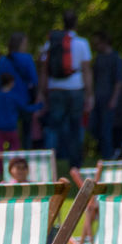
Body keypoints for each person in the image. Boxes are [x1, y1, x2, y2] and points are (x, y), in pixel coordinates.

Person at [42, 10, 93, 175]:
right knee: (76, 126)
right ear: (75, 23)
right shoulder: (82, 43)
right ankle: (75, 166)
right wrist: (89, 94)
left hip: (55, 89)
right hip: (76, 89)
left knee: (53, 128)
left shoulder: (50, 43)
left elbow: (43, 71)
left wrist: (42, 93)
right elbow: (86, 70)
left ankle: (49, 166)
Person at [0, 32, 38, 147]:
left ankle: (9, 157)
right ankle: (24, 153)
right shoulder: (27, 58)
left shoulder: (3, 61)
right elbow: (34, 80)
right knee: (26, 130)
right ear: (21, 44)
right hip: (24, 100)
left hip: (6, 100)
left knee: (9, 130)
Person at [90, 31, 122, 159]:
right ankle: (104, 152)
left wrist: (114, 99)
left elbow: (118, 81)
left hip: (108, 98)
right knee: (94, 127)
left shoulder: (115, 58)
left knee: (106, 129)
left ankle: (108, 156)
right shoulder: (98, 58)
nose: (96, 46)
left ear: (104, 42)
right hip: (97, 98)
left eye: (98, 43)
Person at [0, 72, 42, 153]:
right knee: (15, 147)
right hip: (11, 127)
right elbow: (26, 108)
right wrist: (39, 106)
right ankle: (13, 163)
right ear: (10, 82)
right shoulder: (13, 97)